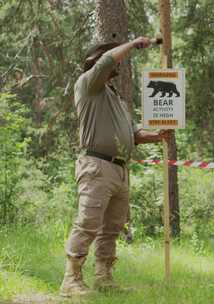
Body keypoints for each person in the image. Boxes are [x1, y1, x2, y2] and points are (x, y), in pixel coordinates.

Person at [60, 37, 171, 297]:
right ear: (96, 62)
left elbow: (133, 133)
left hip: (119, 169)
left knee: (112, 227)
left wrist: (157, 135)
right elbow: (107, 60)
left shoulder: (114, 99)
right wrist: (134, 44)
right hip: (97, 166)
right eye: (108, 58)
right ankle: (71, 280)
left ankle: (103, 277)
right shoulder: (88, 84)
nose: (114, 62)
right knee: (88, 222)